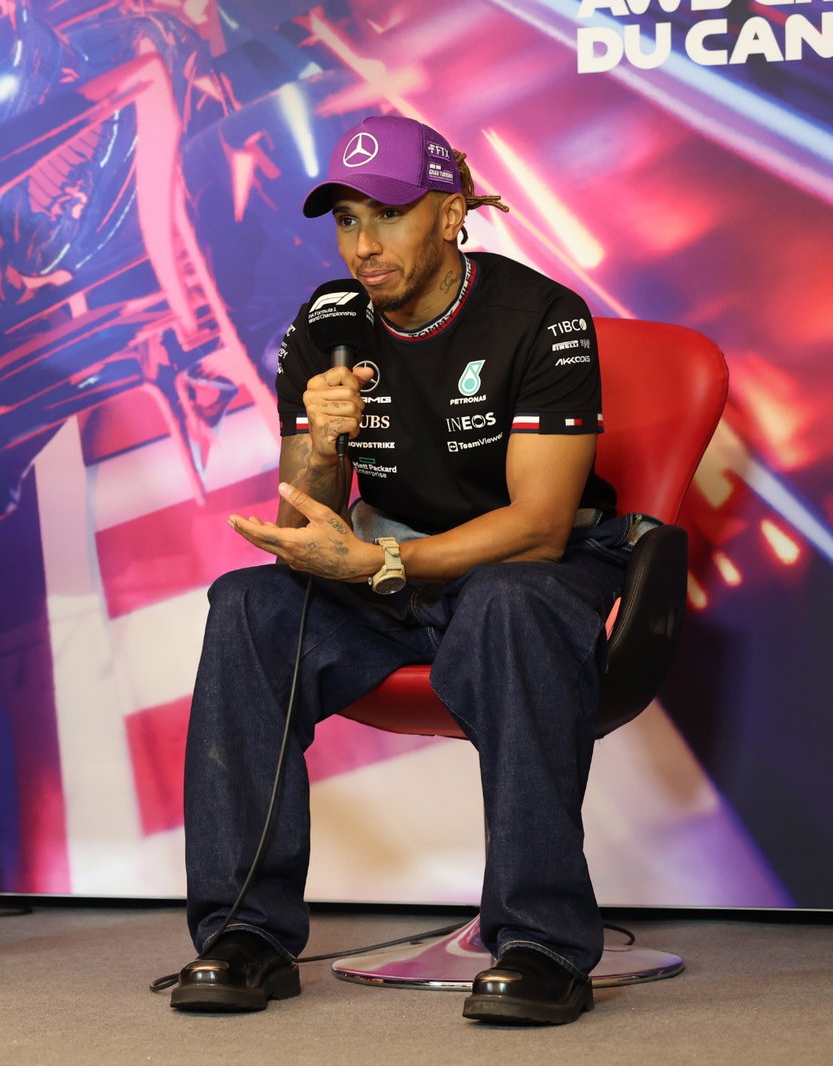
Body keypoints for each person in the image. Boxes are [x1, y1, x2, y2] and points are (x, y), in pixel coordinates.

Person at [172, 115, 641, 1026]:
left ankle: (541, 943)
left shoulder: (542, 317)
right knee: (247, 606)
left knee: (511, 603)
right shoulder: (327, 323)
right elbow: (300, 516)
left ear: (452, 212)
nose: (363, 244)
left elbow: (542, 529)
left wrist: (382, 559)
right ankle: (246, 936)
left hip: (523, 571)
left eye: (387, 215)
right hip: (391, 578)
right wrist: (320, 445)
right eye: (346, 219)